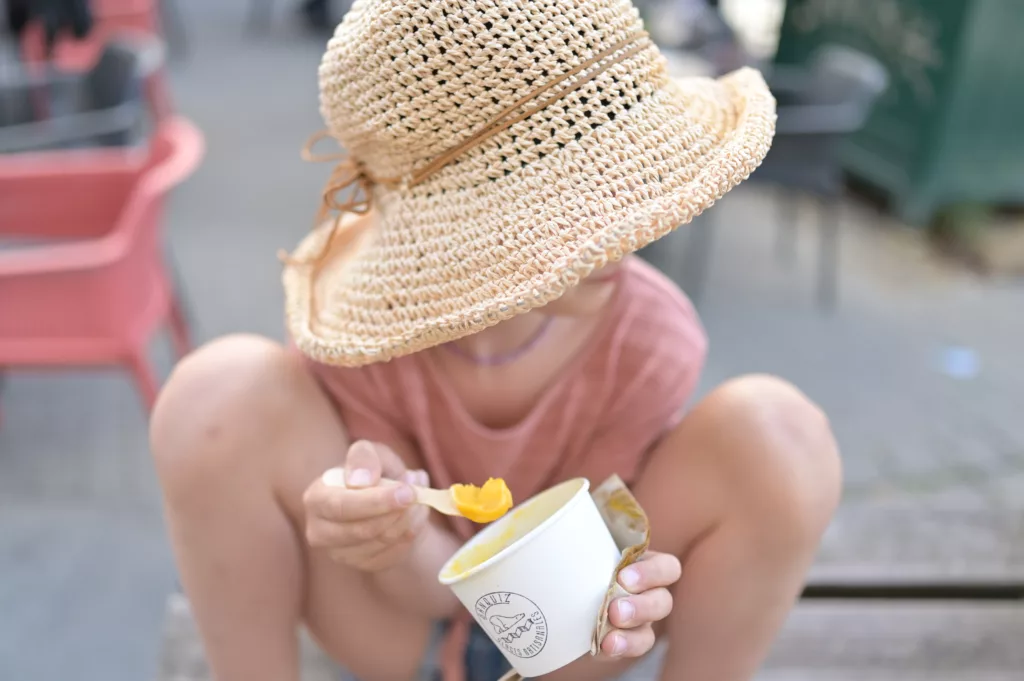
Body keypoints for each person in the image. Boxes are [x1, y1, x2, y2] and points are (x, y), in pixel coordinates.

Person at [150, 1, 842, 680]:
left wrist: (631, 583)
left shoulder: (650, 338)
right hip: (393, 628)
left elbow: (566, 602)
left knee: (779, 434)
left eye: (625, 189)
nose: (623, 233)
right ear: (464, 229)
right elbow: (429, 590)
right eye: (574, 202)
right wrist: (390, 532)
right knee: (214, 394)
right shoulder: (372, 340)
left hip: (568, 646)